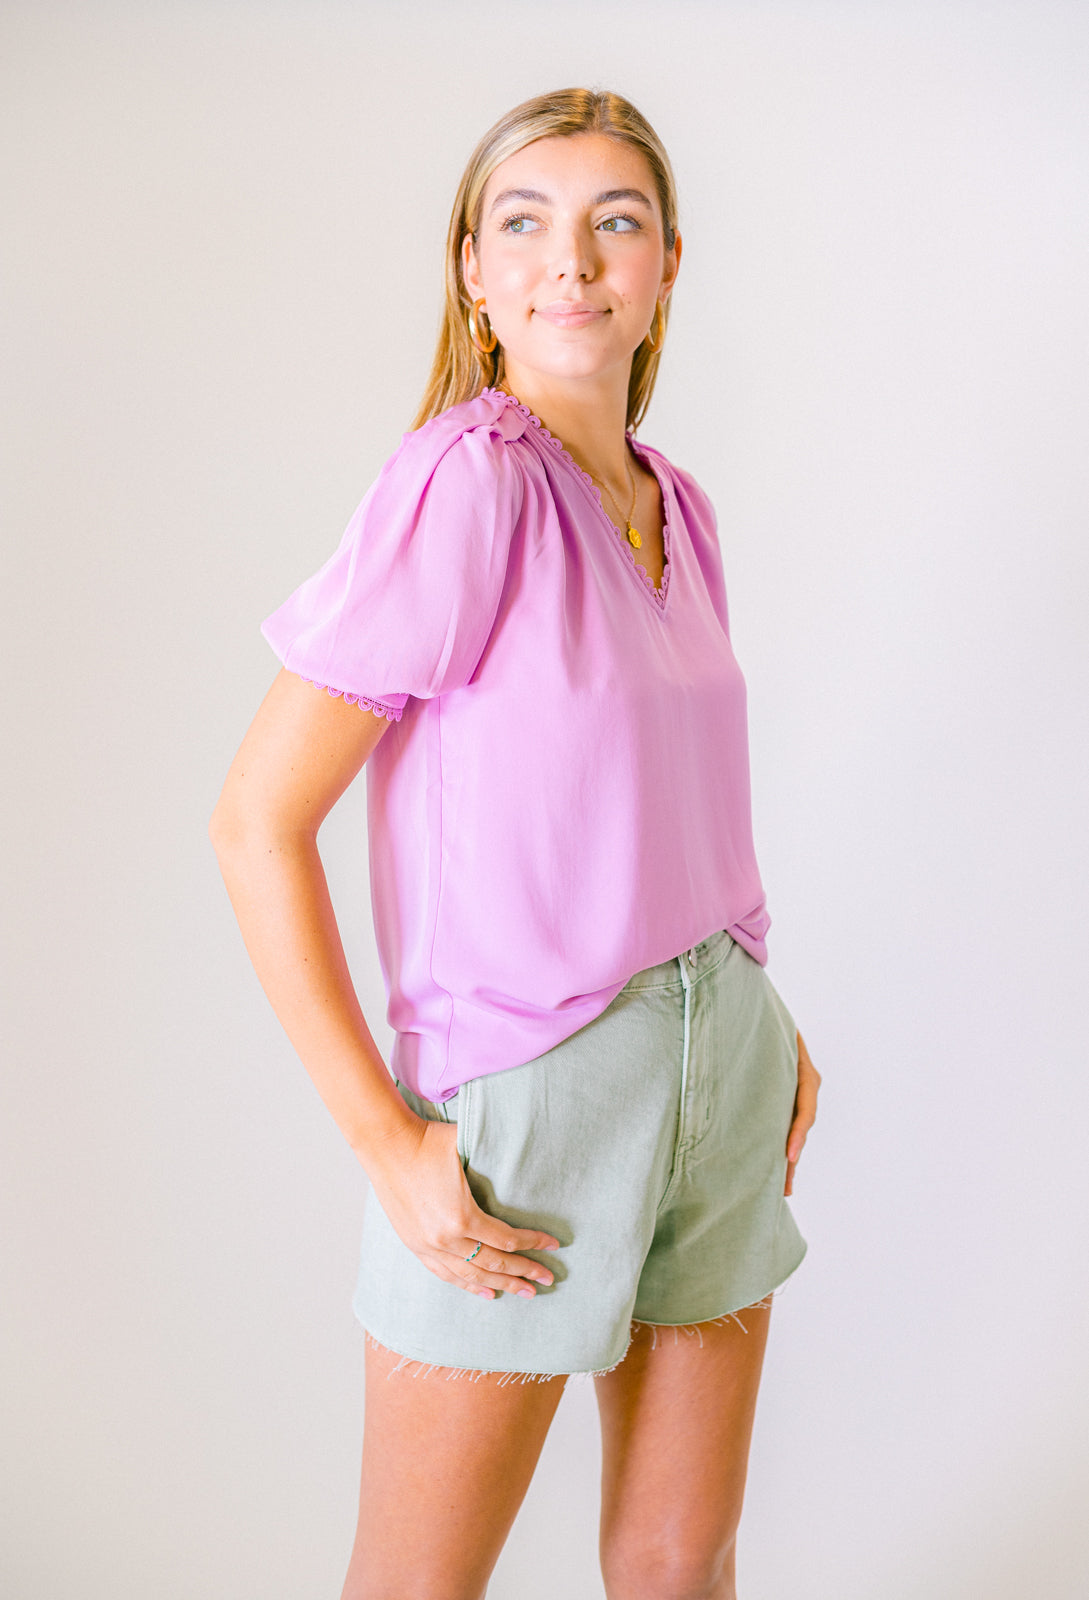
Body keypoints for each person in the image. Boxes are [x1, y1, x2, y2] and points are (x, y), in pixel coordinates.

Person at [210, 85, 821, 1600]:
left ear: (666, 266)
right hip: (532, 1095)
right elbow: (256, 822)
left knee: (680, 1561)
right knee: (421, 1580)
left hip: (722, 1061)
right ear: (473, 270)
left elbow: (662, 793)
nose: (573, 260)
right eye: (526, 222)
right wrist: (385, 1141)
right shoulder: (466, 483)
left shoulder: (679, 505)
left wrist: (761, 1014)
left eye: (617, 222)